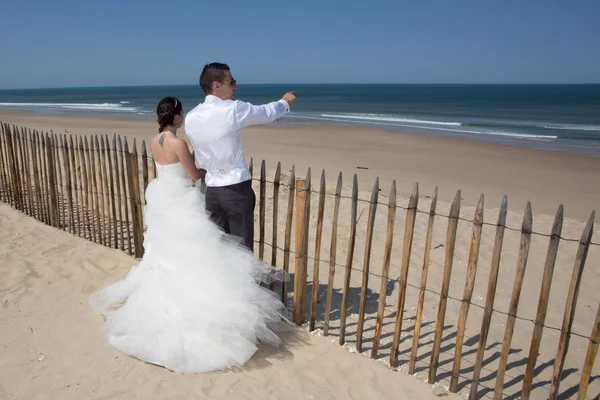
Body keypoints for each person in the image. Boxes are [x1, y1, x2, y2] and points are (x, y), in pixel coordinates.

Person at [89, 97, 290, 374]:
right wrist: (203, 164)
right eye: (181, 113)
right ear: (176, 117)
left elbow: (168, 166)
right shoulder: (179, 143)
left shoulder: (153, 140)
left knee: (169, 250)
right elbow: (193, 174)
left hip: (163, 195)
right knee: (196, 250)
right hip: (181, 197)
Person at [185, 62, 296, 251]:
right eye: (231, 82)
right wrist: (284, 102)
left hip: (211, 191)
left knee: (219, 248)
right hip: (235, 189)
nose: (235, 86)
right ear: (216, 85)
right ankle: (242, 282)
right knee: (242, 248)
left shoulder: (192, 116)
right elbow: (266, 113)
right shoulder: (231, 109)